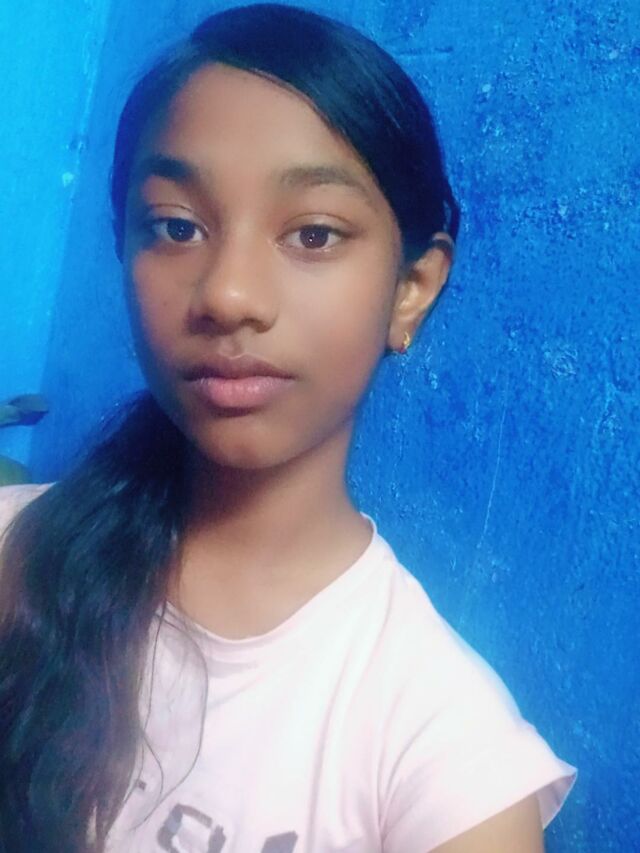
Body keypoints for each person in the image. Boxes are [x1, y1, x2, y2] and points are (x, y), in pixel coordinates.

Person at [0, 4, 577, 851]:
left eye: (313, 233)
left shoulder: (445, 757)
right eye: (176, 226)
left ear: (412, 288)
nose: (228, 293)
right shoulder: (16, 551)